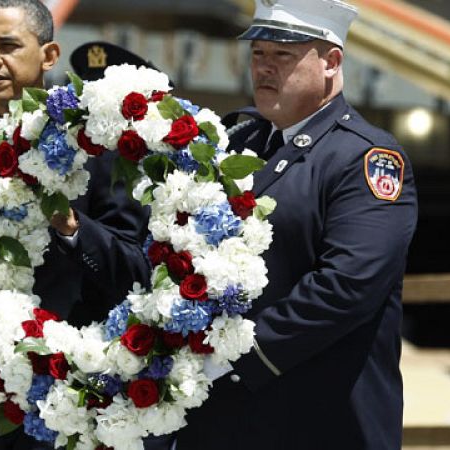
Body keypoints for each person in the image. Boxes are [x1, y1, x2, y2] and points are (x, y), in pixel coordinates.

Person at [0, 1, 151, 449]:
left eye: (8, 45)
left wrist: (73, 228)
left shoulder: (95, 146)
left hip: (78, 407)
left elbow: (135, 272)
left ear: (49, 55)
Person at [176, 1, 417, 449]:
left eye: (283, 55)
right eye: (258, 54)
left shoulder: (366, 158)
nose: (265, 68)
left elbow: (346, 286)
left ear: (331, 62)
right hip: (226, 423)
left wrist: (234, 356)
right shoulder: (238, 140)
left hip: (320, 421)